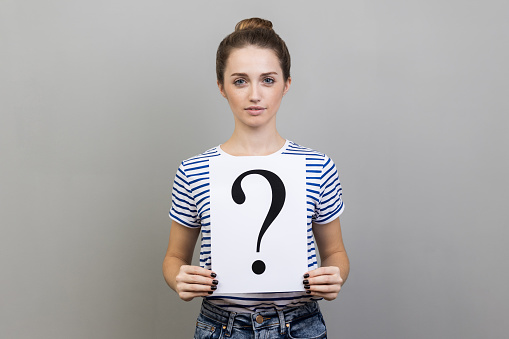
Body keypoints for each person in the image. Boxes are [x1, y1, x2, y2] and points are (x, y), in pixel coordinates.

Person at [163, 17, 349, 338]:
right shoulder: (193, 170)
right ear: (221, 86)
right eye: (239, 81)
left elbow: (335, 254)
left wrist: (335, 278)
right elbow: (175, 257)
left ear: (286, 84)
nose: (254, 95)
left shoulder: (317, 166)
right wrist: (180, 278)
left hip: (299, 325)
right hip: (221, 326)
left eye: (267, 79)